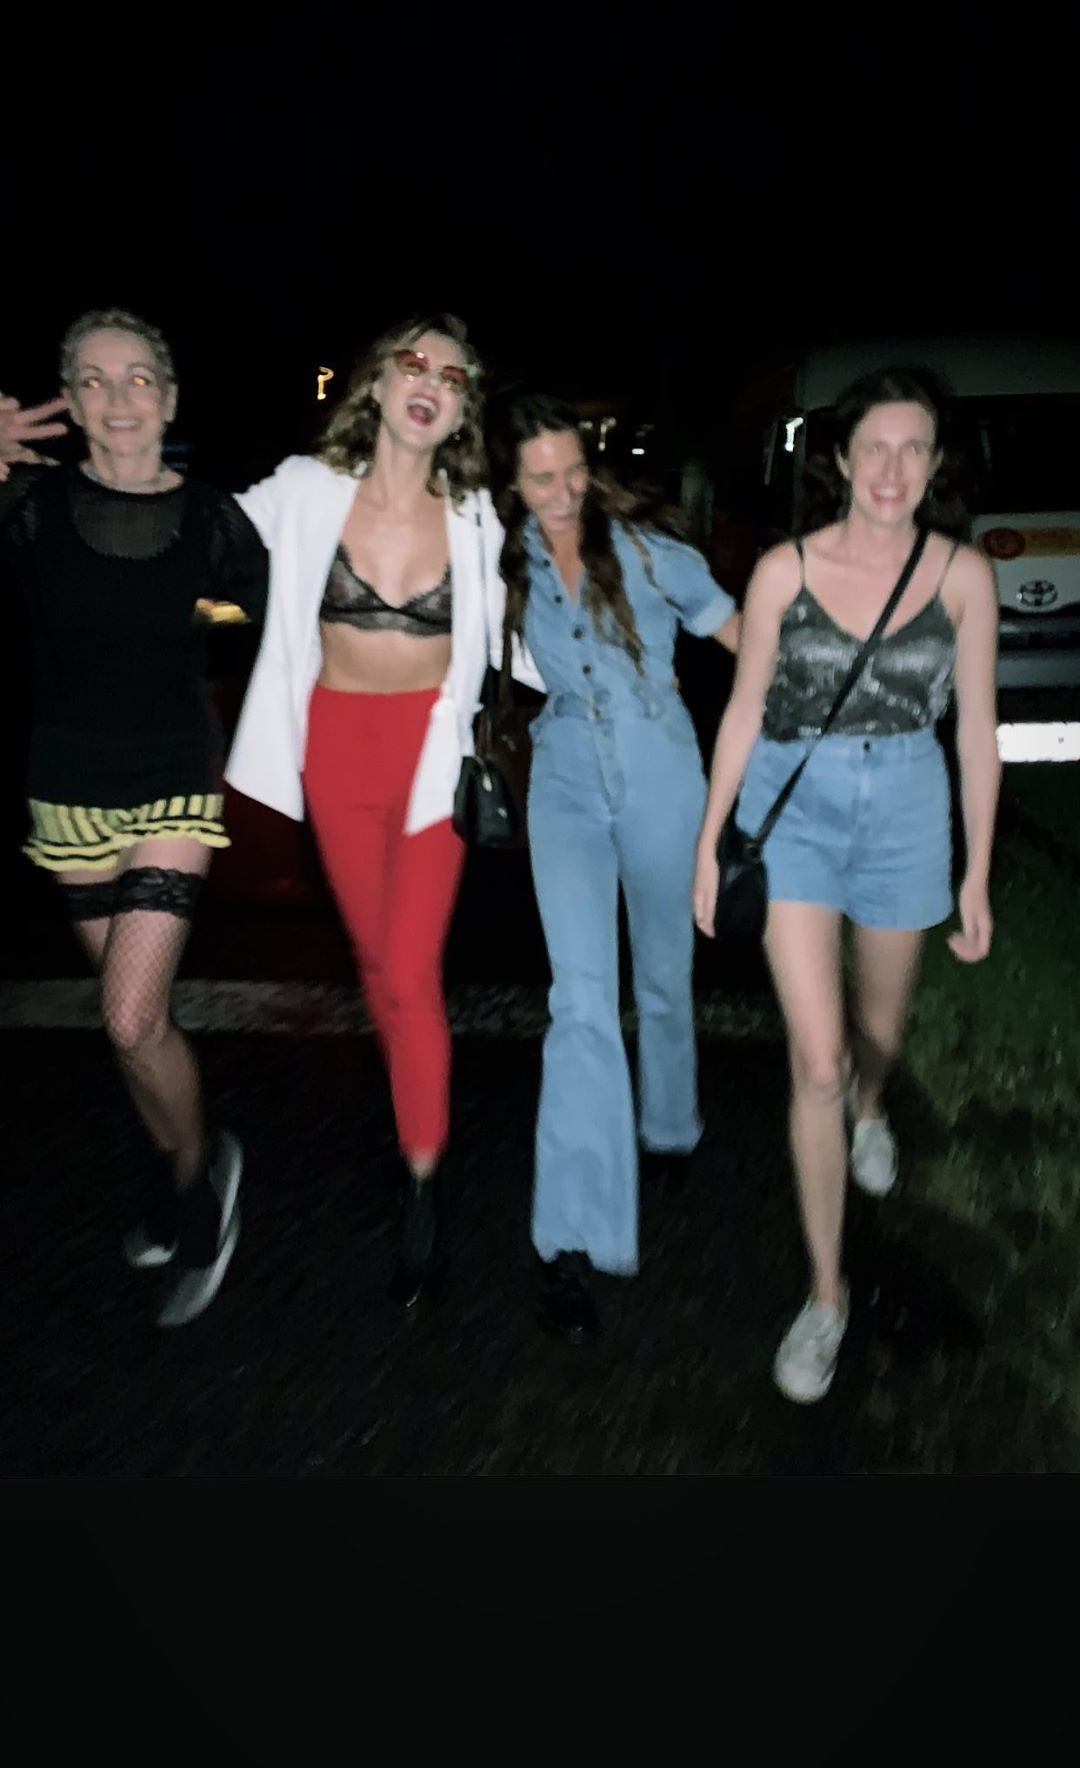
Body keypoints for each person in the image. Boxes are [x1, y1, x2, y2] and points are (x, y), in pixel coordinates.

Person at [693, 366, 1000, 1404]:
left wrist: (977, 872)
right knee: (815, 1061)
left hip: (909, 806)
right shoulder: (784, 569)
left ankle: (875, 1106)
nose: (892, 469)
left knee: (878, 1036)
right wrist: (710, 841)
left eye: (914, 449)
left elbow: (977, 734)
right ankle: (826, 1296)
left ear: (935, 464)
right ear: (839, 458)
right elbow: (743, 710)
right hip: (796, 806)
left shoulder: (964, 575)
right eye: (875, 447)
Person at [225, 313, 541, 1307]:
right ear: (375, 384)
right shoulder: (306, 489)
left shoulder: (480, 516)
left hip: (433, 759)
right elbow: (195, 538)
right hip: (335, 752)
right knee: (378, 966)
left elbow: (538, 624)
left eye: (453, 374)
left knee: (408, 971)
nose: (429, 380)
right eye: (413, 362)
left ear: (463, 409)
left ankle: (423, 1184)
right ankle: (417, 1109)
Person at [0, 309, 266, 1327]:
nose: (119, 398)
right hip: (64, 786)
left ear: (170, 396)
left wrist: (199, 628)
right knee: (133, 1030)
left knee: (127, 1012)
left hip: (173, 782)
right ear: (69, 401)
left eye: (139, 377)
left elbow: (257, 614)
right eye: (94, 379)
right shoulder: (29, 506)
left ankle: (199, 1187)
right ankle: (182, 1159)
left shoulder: (212, 520)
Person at [488, 393, 740, 1340]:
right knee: (581, 1003)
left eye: (573, 472)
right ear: (511, 482)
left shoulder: (647, 549)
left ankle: (670, 1122)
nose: (563, 493)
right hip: (562, 777)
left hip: (660, 767)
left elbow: (743, 637)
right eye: (540, 478)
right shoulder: (503, 560)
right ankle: (571, 1237)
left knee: (665, 973)